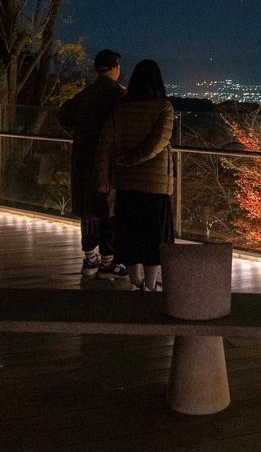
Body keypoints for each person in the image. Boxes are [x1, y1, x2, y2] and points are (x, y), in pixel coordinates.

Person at [94, 59, 174, 291]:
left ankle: (136, 282)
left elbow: (104, 144)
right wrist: (133, 157)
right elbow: (159, 142)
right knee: (153, 239)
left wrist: (103, 176)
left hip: (126, 182)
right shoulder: (163, 107)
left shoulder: (120, 109)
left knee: (129, 235)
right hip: (155, 185)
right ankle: (150, 284)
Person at [58, 49, 129, 279]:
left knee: (89, 210)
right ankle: (109, 260)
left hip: (83, 161)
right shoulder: (119, 96)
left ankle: (90, 259)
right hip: (110, 163)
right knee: (108, 210)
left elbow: (64, 115)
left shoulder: (86, 94)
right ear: (115, 69)